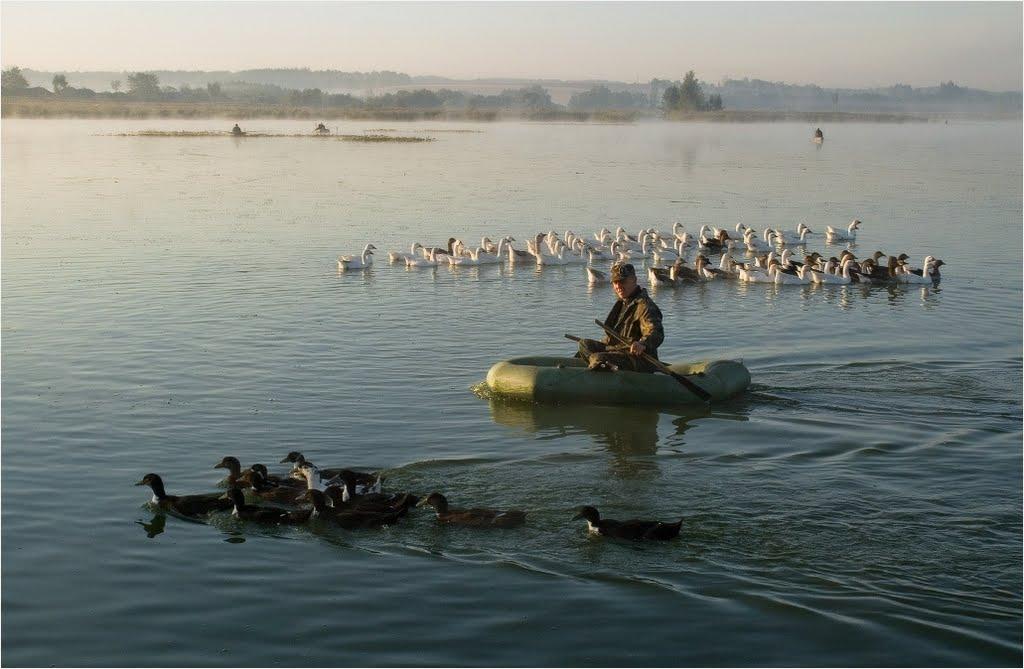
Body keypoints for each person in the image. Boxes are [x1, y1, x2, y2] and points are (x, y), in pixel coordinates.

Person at [576, 263, 664, 372]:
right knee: (584, 344)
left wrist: (642, 344)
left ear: (634, 280)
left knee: (599, 357)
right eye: (615, 282)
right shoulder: (623, 303)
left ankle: (600, 370)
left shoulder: (645, 306)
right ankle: (602, 366)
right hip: (618, 351)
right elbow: (613, 334)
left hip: (639, 359)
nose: (618, 286)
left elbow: (656, 332)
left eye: (622, 281)